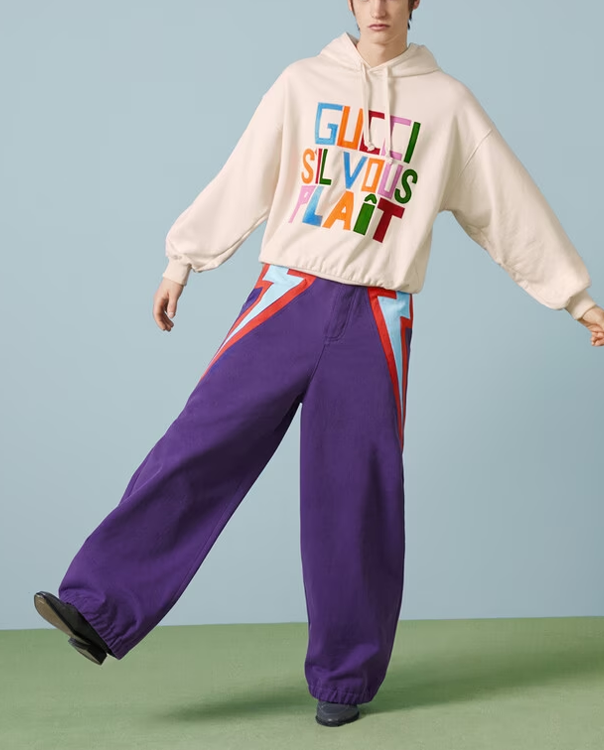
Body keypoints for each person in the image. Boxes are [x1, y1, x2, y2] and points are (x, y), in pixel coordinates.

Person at [34, 0, 604, 730]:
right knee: (200, 444)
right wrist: (184, 260)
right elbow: (245, 174)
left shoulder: (447, 105)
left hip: (376, 316)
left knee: (356, 493)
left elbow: (507, 207)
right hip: (289, 295)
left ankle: (344, 677)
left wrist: (576, 298)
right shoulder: (303, 83)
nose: (380, 7)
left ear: (416, 3)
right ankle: (97, 607)